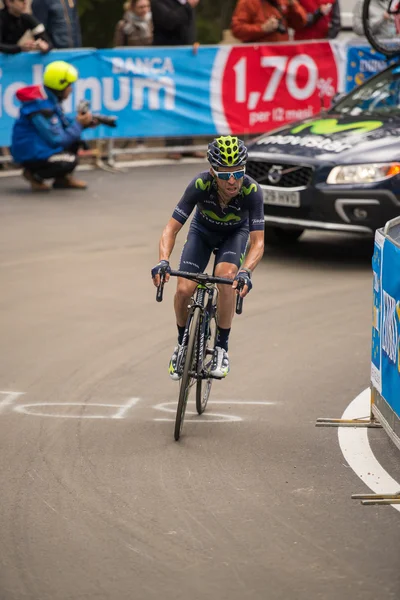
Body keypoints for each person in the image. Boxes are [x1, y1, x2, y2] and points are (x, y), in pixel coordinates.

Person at [151, 136, 265, 379]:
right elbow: (171, 229)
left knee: (226, 278)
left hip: (234, 235)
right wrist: (163, 261)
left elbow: (258, 242)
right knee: (183, 290)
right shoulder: (200, 185)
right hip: (202, 232)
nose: (233, 180)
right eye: (225, 175)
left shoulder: (252, 191)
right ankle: (182, 344)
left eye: (238, 172)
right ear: (213, 173)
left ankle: (222, 347)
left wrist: (246, 271)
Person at [11, 60, 99, 192]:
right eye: (70, 85)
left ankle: (62, 180)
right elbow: (57, 139)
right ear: (60, 85)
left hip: (39, 149)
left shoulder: (48, 100)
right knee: (70, 160)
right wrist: (79, 124)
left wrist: (83, 123)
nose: (71, 89)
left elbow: (62, 123)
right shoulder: (41, 107)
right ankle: (34, 175)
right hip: (30, 153)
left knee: (75, 140)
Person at [151, 0, 203, 159]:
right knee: (171, 101)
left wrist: (193, 42)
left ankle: (188, 144)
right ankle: (173, 145)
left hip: (186, 59)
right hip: (168, 61)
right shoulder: (159, 2)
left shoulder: (185, 4)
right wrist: (187, 6)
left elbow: (188, 27)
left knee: (187, 101)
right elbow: (169, 22)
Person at [231, 0, 307, 43]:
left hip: (281, 57)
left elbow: (301, 23)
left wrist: (293, 5)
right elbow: (237, 29)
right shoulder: (247, 2)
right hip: (258, 57)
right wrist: (262, 28)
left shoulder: (284, 2)